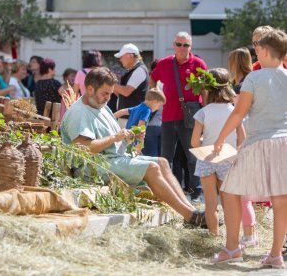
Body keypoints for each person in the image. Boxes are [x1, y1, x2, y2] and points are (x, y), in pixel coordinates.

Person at [61, 67, 206, 228]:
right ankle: (190, 216)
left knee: (162, 162)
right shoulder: (79, 113)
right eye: (105, 93)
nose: (108, 98)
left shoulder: (102, 106)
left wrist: (130, 139)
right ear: (89, 89)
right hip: (94, 167)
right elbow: (84, 150)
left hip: (113, 159)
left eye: (110, 93)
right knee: (151, 168)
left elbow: (113, 143)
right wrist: (116, 137)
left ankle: (191, 210)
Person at [212, 29, 287, 267]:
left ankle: (232, 248)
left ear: (264, 50)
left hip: (260, 142)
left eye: (257, 49)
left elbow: (239, 112)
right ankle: (276, 255)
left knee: (230, 191)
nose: (256, 53)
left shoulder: (254, 78)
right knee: (281, 199)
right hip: (285, 142)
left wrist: (221, 138)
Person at [150, 31, 208, 201]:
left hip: (190, 117)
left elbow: (205, 89)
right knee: (166, 157)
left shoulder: (198, 63)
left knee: (192, 156)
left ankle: (196, 190)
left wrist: (204, 111)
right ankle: (168, 189)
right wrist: (155, 94)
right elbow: (152, 78)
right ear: (174, 45)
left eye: (186, 45)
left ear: (190, 46)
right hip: (168, 117)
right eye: (179, 44)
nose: (182, 48)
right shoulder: (165, 63)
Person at [191, 68, 245, 236]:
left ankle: (214, 235)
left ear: (206, 88)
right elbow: (242, 138)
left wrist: (205, 142)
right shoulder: (234, 111)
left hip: (207, 158)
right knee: (229, 202)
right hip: (228, 159)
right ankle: (231, 238)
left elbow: (193, 142)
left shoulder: (203, 112)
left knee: (210, 203)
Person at [228, 47, 258, 247]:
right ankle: (250, 234)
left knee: (243, 194)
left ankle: (249, 236)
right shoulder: (253, 80)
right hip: (252, 137)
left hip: (244, 139)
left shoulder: (241, 86)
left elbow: (239, 113)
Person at [113, 43, 149, 129]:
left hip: (131, 119)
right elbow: (122, 94)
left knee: (130, 142)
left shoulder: (139, 70)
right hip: (128, 118)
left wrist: (110, 83)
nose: (120, 59)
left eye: (122, 56)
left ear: (130, 56)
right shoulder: (134, 70)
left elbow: (126, 92)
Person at [142, 59, 163, 157]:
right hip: (166, 126)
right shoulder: (168, 84)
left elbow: (147, 106)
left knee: (151, 158)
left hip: (151, 125)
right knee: (164, 159)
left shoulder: (152, 86)